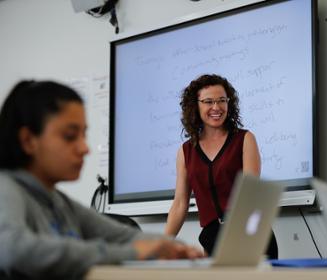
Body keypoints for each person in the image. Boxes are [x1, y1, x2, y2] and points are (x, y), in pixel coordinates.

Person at [0, 81, 203, 279]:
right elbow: (13, 249)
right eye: (70, 136)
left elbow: (125, 236)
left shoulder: (59, 202)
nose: (84, 148)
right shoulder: (6, 188)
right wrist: (133, 253)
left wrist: (178, 248)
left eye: (83, 135)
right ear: (28, 141)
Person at [165, 74, 277, 258]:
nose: (216, 107)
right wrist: (162, 246)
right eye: (208, 101)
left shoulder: (244, 139)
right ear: (196, 105)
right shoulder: (186, 151)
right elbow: (179, 204)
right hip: (212, 237)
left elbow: (251, 196)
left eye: (222, 100)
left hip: (247, 233)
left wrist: (239, 242)